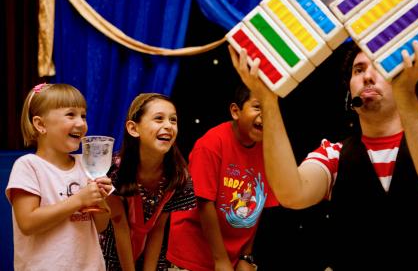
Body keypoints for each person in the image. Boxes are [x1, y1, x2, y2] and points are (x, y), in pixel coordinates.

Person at [228, 38, 418, 270]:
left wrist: (406, 92)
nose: (367, 76)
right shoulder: (333, 155)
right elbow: (292, 195)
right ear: (349, 90)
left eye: (382, 68)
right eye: (358, 70)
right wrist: (268, 101)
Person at [167, 83, 279, 271]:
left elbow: (258, 207)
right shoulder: (211, 144)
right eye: (258, 107)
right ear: (236, 111)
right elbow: (204, 203)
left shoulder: (270, 152)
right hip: (193, 255)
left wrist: (246, 256)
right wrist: (220, 260)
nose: (265, 115)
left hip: (234, 258)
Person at [5, 83, 112, 270]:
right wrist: (79, 200)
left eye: (83, 115)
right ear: (40, 124)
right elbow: (28, 223)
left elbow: (102, 225)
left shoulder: (86, 164)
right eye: (71, 114)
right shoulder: (29, 165)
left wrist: (99, 199)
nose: (81, 123)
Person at [100, 93, 196, 271]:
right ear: (133, 128)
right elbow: (119, 224)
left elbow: (158, 228)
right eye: (159, 119)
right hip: (112, 255)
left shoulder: (178, 175)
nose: (168, 125)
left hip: (151, 255)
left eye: (173, 120)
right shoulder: (114, 171)